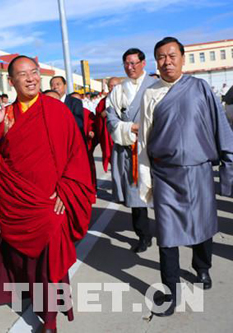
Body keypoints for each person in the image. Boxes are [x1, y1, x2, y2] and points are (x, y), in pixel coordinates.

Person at [0, 56, 95, 333]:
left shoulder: (56, 110)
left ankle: (50, 321)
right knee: (24, 262)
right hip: (18, 201)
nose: (30, 78)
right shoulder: (4, 115)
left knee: (50, 265)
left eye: (34, 73)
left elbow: (76, 155)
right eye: (22, 74)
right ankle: (34, 300)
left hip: (51, 202)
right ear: (11, 81)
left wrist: (66, 192)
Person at [139, 37, 233, 317]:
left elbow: (221, 129)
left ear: (183, 57)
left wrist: (228, 165)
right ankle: (171, 290)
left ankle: (202, 267)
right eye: (161, 57)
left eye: (171, 56)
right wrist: (145, 178)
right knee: (167, 236)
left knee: (203, 226)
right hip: (165, 175)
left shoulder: (200, 88)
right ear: (156, 61)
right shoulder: (150, 94)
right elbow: (144, 140)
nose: (166, 62)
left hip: (199, 171)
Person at [106, 48, 157, 253]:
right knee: (137, 195)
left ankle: (167, 230)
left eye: (134, 63)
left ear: (143, 63)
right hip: (130, 147)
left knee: (161, 192)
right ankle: (143, 235)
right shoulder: (118, 90)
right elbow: (111, 118)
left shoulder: (156, 86)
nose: (131, 67)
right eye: (127, 63)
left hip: (154, 147)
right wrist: (129, 128)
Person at [95, 77, 121, 173]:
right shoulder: (103, 102)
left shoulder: (127, 98)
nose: (112, 88)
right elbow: (99, 115)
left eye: (115, 86)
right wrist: (104, 113)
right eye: (110, 86)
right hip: (108, 134)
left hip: (123, 133)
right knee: (112, 158)